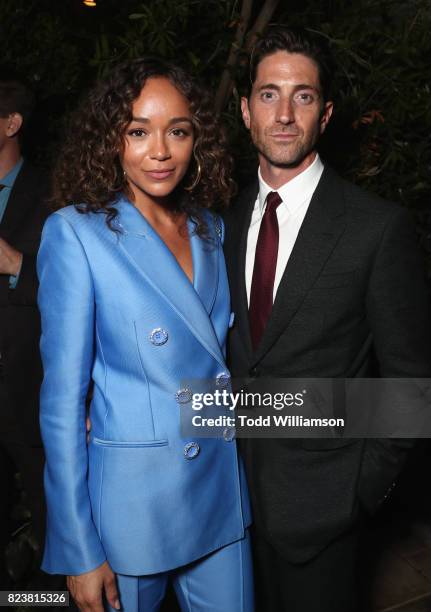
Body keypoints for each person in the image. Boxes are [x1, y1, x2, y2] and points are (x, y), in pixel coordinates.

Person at [224, 26, 431, 612]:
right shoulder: (224, 220)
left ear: (326, 112)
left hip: (324, 514)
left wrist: (361, 492)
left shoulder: (376, 228)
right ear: (245, 110)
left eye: (303, 96)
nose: (284, 113)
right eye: (269, 94)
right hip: (230, 509)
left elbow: (411, 384)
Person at [37, 58, 253, 612]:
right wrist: (78, 548)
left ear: (195, 140)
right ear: (112, 139)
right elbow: (62, 406)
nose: (160, 151)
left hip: (218, 495)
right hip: (130, 515)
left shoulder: (211, 228)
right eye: (138, 131)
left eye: (177, 131)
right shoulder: (75, 233)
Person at [0, 78, 49, 584]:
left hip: (27, 389)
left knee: (50, 517)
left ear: (11, 124)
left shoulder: (55, 193)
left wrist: (14, 261)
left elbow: (74, 290)